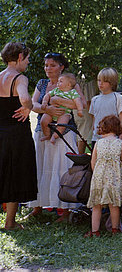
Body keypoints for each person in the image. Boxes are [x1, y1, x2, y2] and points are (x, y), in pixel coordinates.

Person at [26, 52, 86, 221]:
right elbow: (33, 104)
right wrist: (48, 109)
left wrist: (58, 102)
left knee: (62, 169)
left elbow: (81, 103)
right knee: (40, 167)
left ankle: (65, 210)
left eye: (52, 65)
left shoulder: (71, 83)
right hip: (43, 128)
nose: (48, 69)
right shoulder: (42, 83)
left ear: (61, 67)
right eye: (46, 65)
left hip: (64, 131)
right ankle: (37, 207)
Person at [0, 42, 36, 230]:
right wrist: (27, 106)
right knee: (14, 174)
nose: (28, 62)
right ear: (20, 57)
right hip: (17, 133)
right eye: (27, 58)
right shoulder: (20, 78)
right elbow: (25, 98)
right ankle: (10, 223)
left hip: (1, 131)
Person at [85, 115, 122, 237]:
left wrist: (96, 172)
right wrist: (121, 169)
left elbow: (93, 161)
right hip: (114, 177)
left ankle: (94, 231)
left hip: (99, 176)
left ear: (103, 128)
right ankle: (114, 229)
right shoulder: (120, 143)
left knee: (96, 205)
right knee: (114, 205)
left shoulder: (98, 143)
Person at [39, 73, 84, 143]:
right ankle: (47, 135)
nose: (58, 83)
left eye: (60, 81)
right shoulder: (56, 90)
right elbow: (47, 95)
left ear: (68, 84)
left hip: (64, 113)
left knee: (61, 125)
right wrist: (44, 103)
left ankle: (54, 136)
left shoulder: (72, 92)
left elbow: (78, 101)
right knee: (43, 121)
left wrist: (80, 110)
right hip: (51, 111)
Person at [89, 67, 122, 145]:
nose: (101, 83)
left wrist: (121, 136)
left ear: (112, 82)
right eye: (99, 80)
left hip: (114, 139)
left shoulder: (118, 97)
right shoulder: (94, 99)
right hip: (97, 139)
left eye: (105, 81)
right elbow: (94, 119)